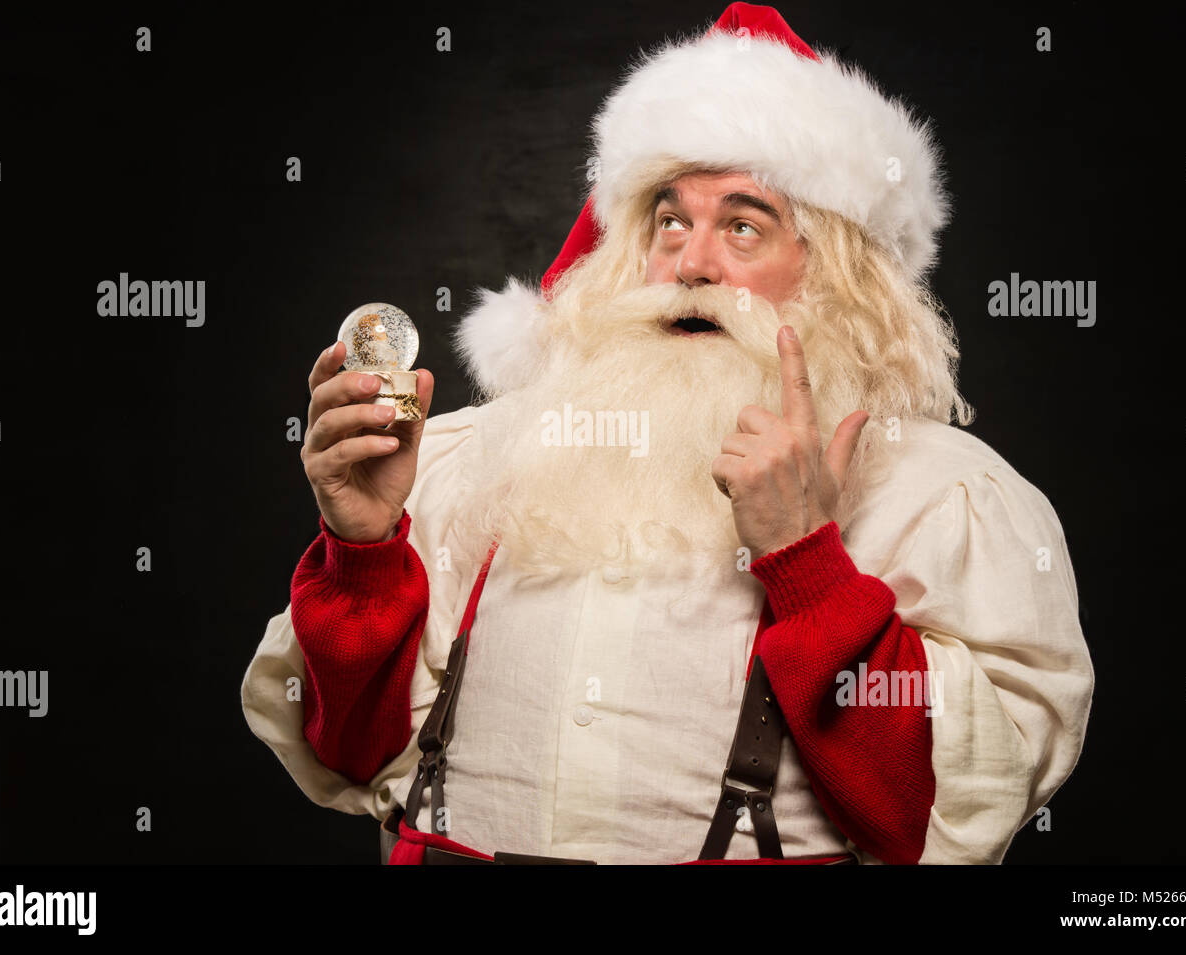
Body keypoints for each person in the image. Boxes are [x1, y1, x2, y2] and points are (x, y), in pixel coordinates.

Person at [241, 2, 1094, 864]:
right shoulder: (477, 460)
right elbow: (346, 750)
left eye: (743, 224)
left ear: (837, 276)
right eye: (669, 219)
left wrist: (808, 565)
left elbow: (930, 815)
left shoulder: (936, 495)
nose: (690, 262)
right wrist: (363, 553)